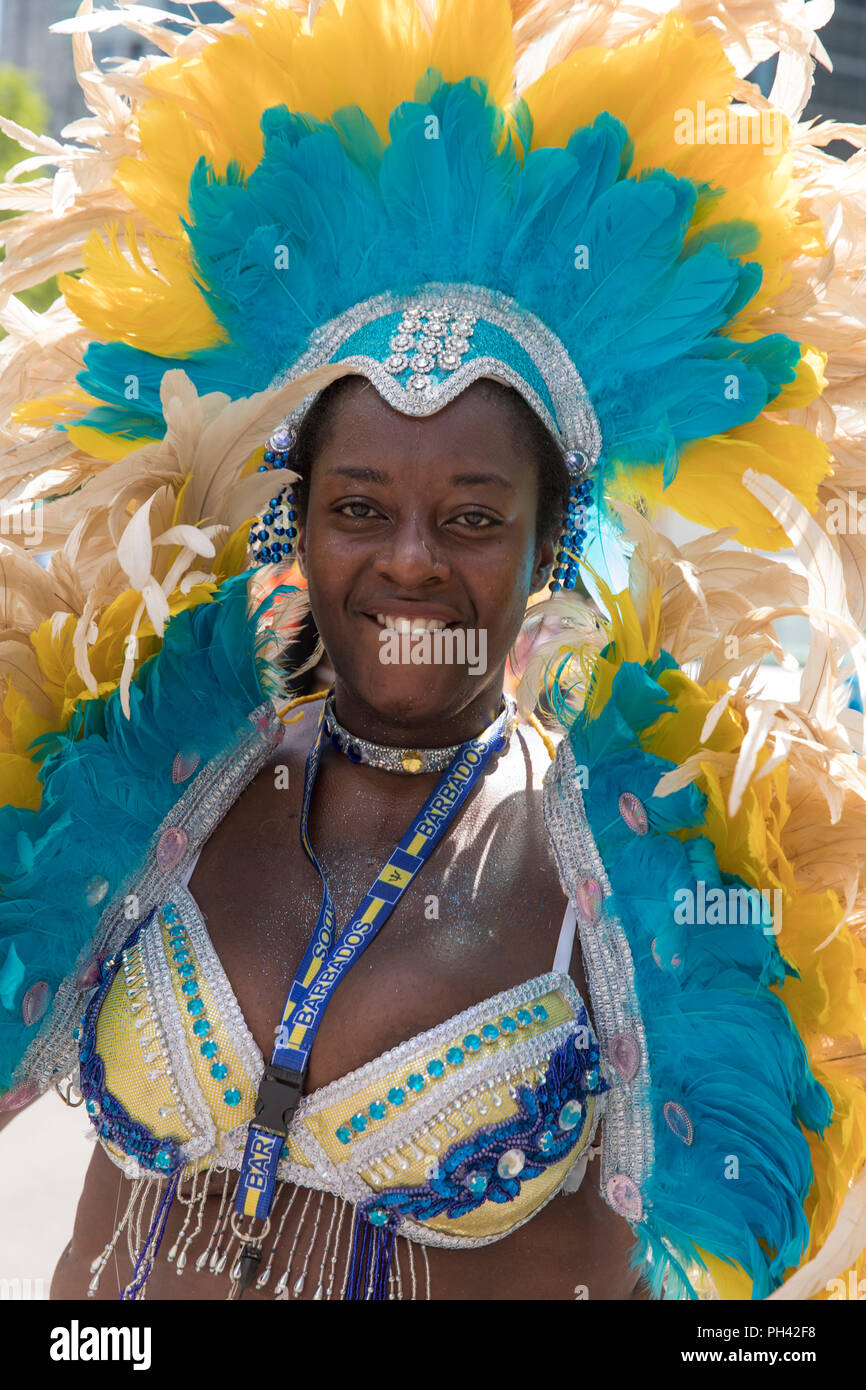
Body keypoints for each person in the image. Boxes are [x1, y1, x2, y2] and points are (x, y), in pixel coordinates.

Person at [0, 0, 865, 1302]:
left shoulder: (638, 881)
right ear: (297, 521)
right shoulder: (164, 789)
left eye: (469, 516)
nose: (408, 558)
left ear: (548, 544)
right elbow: (94, 1237)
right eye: (359, 507)